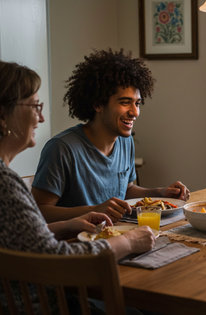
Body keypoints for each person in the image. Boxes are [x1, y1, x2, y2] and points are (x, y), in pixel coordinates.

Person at [0, 60, 156, 313]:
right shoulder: (6, 184)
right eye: (34, 106)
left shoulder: (6, 180)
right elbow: (56, 261)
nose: (40, 117)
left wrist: (65, 225)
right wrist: (128, 243)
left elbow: (23, 238)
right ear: (3, 114)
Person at [32, 49, 190, 223]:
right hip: (77, 241)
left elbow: (126, 190)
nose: (135, 112)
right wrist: (94, 211)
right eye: (125, 102)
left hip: (119, 233)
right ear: (98, 104)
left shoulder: (125, 141)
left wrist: (160, 193)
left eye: (137, 103)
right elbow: (39, 212)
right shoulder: (61, 148)